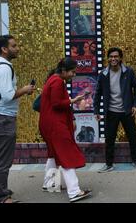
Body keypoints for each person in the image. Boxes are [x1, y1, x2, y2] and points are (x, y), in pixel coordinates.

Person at [0, 35, 36, 203]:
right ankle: (1, 197)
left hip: (0, 117)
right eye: (14, 46)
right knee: (3, 160)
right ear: (4, 49)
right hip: (3, 118)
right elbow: (8, 95)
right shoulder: (4, 68)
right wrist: (25, 89)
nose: (18, 48)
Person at [39, 58, 92, 202]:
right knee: (67, 155)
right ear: (63, 71)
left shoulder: (52, 80)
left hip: (48, 124)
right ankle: (74, 192)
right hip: (56, 125)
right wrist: (73, 101)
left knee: (53, 155)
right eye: (72, 72)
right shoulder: (57, 82)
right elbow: (57, 104)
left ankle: (50, 183)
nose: (73, 75)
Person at [94, 47, 136, 172]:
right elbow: (97, 93)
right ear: (108, 59)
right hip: (111, 111)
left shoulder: (128, 72)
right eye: (111, 57)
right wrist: (96, 111)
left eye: (116, 56)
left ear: (120, 58)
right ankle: (109, 164)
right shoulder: (103, 74)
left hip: (127, 111)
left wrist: (135, 105)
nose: (113, 59)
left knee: (132, 136)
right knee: (109, 139)